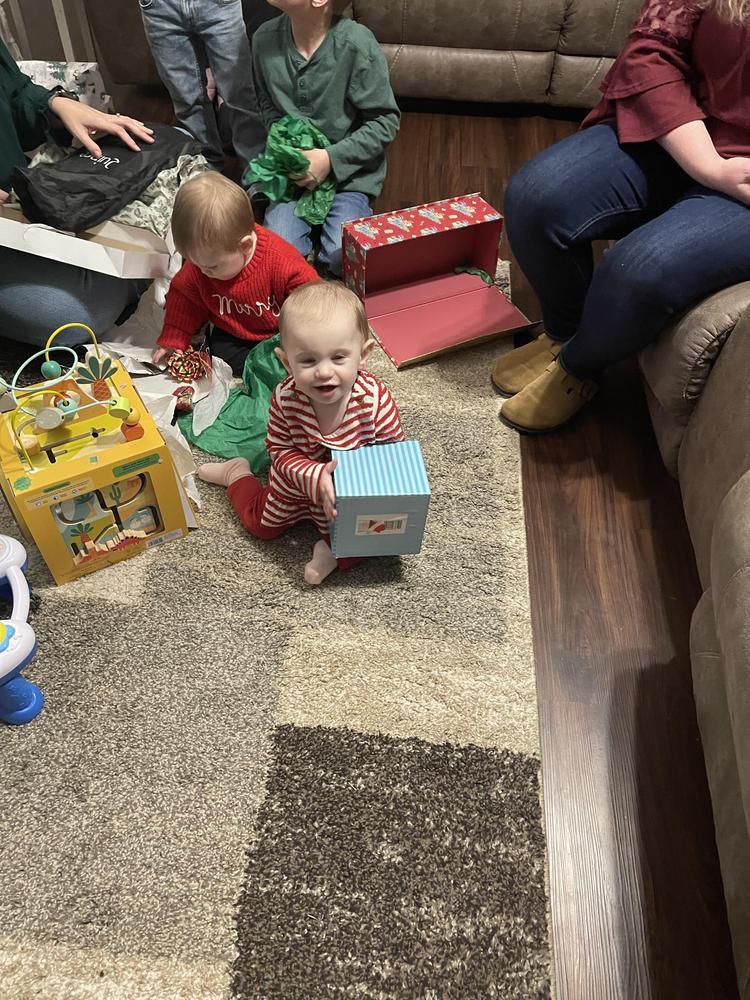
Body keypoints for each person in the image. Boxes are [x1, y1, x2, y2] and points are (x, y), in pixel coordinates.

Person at [491, 0, 750, 434]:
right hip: (685, 128)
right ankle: (565, 334)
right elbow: (651, 50)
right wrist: (707, 164)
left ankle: (578, 367)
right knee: (535, 200)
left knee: (639, 269)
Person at [198, 281, 405, 584]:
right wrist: (312, 474)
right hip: (295, 482)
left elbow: (392, 452)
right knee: (260, 525)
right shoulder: (286, 398)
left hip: (348, 490)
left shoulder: (375, 399)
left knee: (377, 535)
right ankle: (236, 473)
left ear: (363, 355)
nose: (324, 372)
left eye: (338, 358)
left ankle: (330, 551)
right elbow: (279, 450)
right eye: (308, 360)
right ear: (287, 362)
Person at [0, 38, 155, 346]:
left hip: (17, 204)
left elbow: (15, 93)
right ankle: (145, 274)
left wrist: (56, 104)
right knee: (75, 314)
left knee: (161, 144)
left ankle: (137, 274)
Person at [252, 0, 400, 275]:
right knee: (279, 255)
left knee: (342, 257)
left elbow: (384, 121)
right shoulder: (263, 39)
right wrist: (288, 149)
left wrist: (330, 159)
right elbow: (266, 103)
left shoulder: (356, 45)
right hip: (293, 175)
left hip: (350, 179)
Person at [152, 171, 318, 375]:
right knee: (219, 359)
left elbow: (314, 300)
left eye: (212, 267)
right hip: (233, 329)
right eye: (196, 263)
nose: (203, 271)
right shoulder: (203, 264)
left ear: (245, 246)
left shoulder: (281, 261)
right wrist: (175, 336)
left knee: (292, 359)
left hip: (278, 333)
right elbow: (184, 297)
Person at [139, 0, 265, 172]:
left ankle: (256, 172)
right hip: (159, 7)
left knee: (240, 97)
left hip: (218, 4)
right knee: (186, 102)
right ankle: (205, 170)